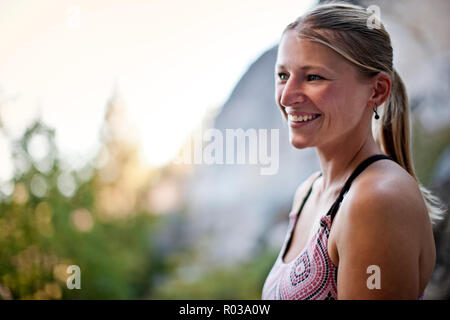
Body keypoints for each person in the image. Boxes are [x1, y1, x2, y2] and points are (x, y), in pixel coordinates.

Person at [261, 2, 445, 300]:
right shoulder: (309, 191)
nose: (288, 96)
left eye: (313, 77)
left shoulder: (375, 201)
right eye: (283, 76)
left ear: (376, 91)